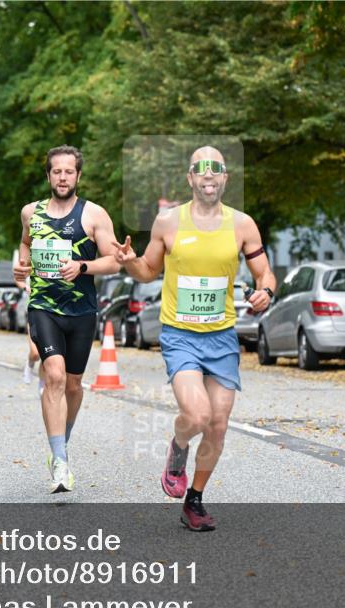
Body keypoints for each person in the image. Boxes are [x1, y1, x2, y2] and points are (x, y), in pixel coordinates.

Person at [113, 146, 276, 531]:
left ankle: (195, 500)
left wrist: (266, 293)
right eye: (200, 171)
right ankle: (179, 446)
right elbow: (148, 271)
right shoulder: (168, 223)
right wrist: (129, 261)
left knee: (218, 423)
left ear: (224, 179)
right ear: (190, 178)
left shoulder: (242, 225)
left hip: (221, 337)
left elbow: (264, 274)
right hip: (180, 335)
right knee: (198, 415)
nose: (208, 176)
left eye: (215, 170)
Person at [13, 145, 122, 493]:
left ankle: (62, 442)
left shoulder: (94, 215)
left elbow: (114, 261)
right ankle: (60, 462)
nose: (62, 177)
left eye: (69, 172)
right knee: (55, 376)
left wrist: (82, 266)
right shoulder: (31, 212)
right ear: (48, 175)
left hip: (82, 312)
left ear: (77, 175)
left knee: (73, 385)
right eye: (56, 171)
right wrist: (21, 269)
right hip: (44, 307)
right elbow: (25, 244)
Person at [15, 274, 42, 390]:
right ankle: (30, 362)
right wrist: (26, 287)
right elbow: (18, 278)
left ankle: (44, 384)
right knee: (36, 353)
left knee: (49, 356)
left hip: (53, 313)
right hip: (33, 314)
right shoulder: (31, 262)